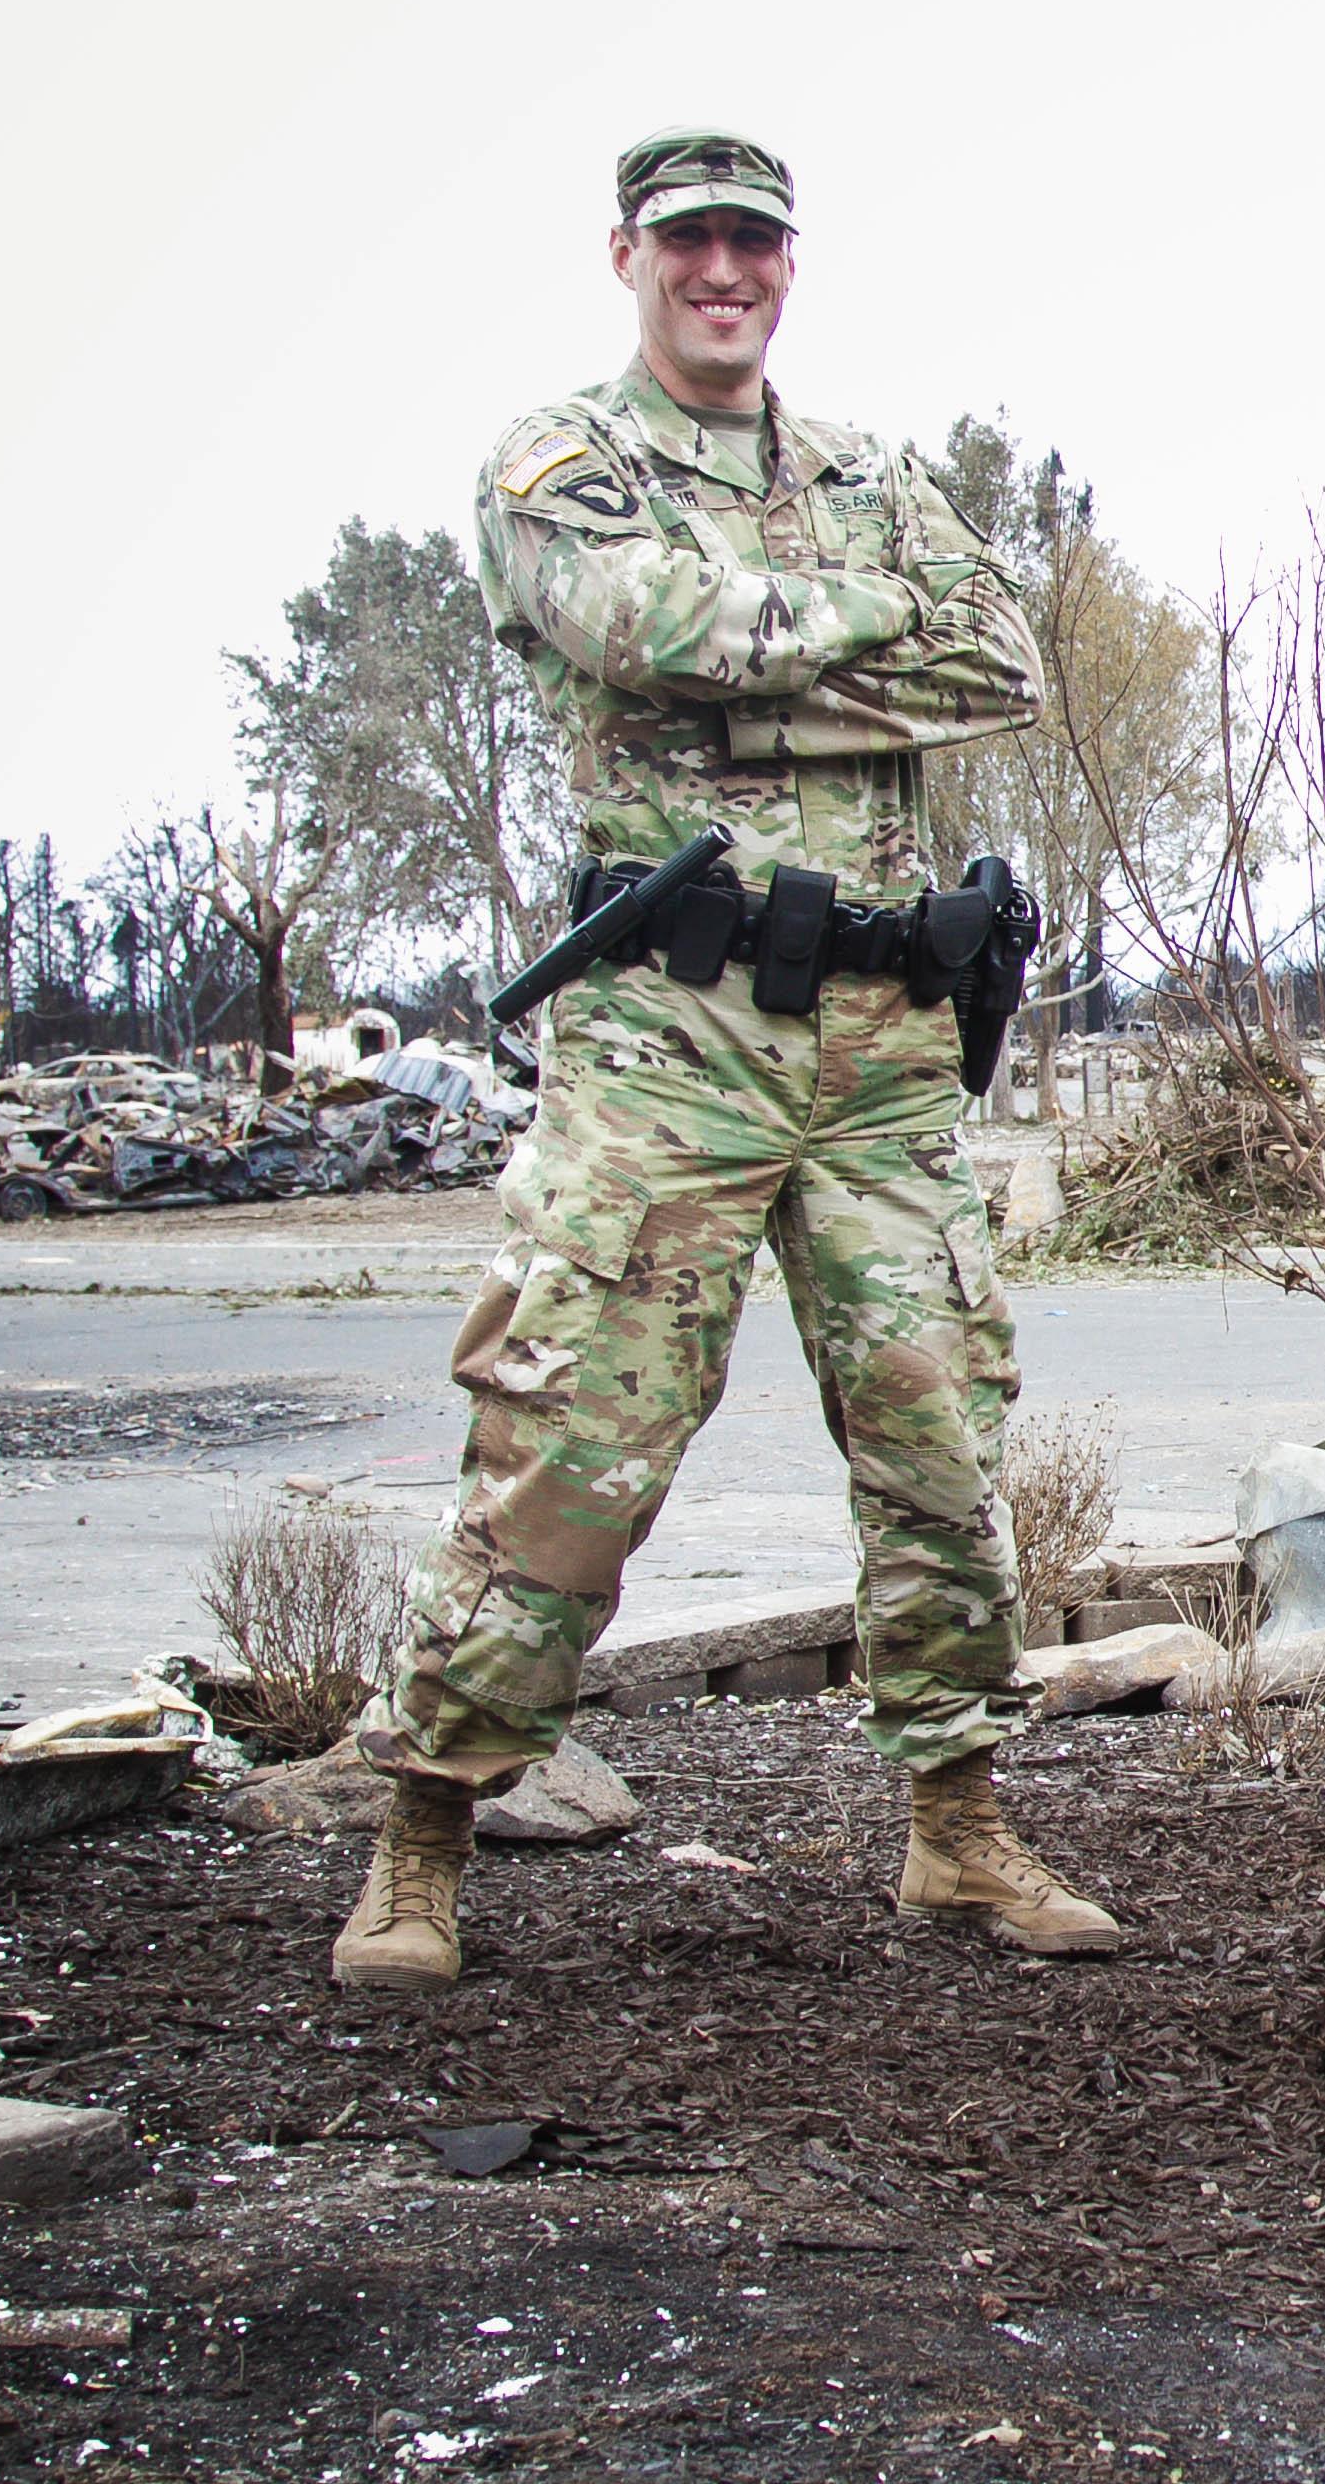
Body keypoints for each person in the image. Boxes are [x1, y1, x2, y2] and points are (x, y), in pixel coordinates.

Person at [332, 126, 1102, 1992]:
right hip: (671, 1036)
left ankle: (955, 1829)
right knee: (576, 1434)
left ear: (788, 260)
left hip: (889, 1044)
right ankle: (425, 1833)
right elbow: (628, 621)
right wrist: (848, 627)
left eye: (754, 241)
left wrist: (747, 656)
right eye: (690, 243)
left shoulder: (868, 469)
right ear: (630, 257)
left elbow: (1002, 657)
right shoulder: (558, 464)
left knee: (938, 1431)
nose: (724, 272)